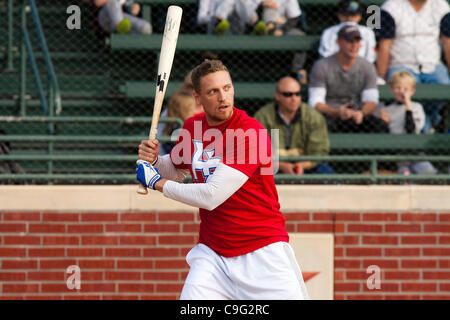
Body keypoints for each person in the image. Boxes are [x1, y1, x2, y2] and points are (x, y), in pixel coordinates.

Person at [136, 59, 309, 300]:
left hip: (261, 251)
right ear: (198, 98)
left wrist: (157, 183)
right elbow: (175, 170)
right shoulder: (192, 126)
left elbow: (210, 196)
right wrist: (154, 160)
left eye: (227, 88)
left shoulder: (251, 133)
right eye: (213, 91)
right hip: (213, 253)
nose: (222, 97)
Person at [376, 0, 450, 131]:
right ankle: (427, 128)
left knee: (444, 83)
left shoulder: (442, 6)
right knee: (403, 89)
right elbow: (384, 46)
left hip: (432, 64)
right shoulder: (390, 7)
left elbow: (448, 43)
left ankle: (430, 120)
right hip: (401, 64)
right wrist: (381, 76)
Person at [308, 25, 389, 133]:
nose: (354, 45)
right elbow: (316, 101)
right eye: (349, 41)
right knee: (319, 126)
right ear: (339, 42)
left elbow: (371, 100)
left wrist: (361, 113)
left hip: (358, 114)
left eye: (357, 41)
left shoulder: (367, 67)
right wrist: (336, 112)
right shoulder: (322, 66)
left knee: (381, 126)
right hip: (331, 115)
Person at [254, 76, 334, 175]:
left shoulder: (313, 117)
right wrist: (282, 166)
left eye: (297, 94)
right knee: (255, 172)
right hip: (272, 166)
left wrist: (301, 166)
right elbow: (256, 152)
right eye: (288, 94)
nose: (294, 98)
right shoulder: (263, 116)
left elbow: (320, 152)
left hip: (306, 166)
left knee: (326, 172)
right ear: (277, 96)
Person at [377, 71, 437, 175]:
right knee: (404, 175)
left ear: (412, 91)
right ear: (391, 89)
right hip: (397, 154)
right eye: (398, 88)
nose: (401, 92)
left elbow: (411, 130)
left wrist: (408, 107)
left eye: (405, 89)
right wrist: (384, 123)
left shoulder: (416, 107)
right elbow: (385, 137)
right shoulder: (387, 110)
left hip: (415, 152)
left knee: (429, 172)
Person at [197, 0, 267, 35]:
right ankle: (219, 21)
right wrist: (214, 16)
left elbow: (250, 7)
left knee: (239, 1)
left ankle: (255, 23)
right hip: (214, 27)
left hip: (236, 26)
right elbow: (200, 18)